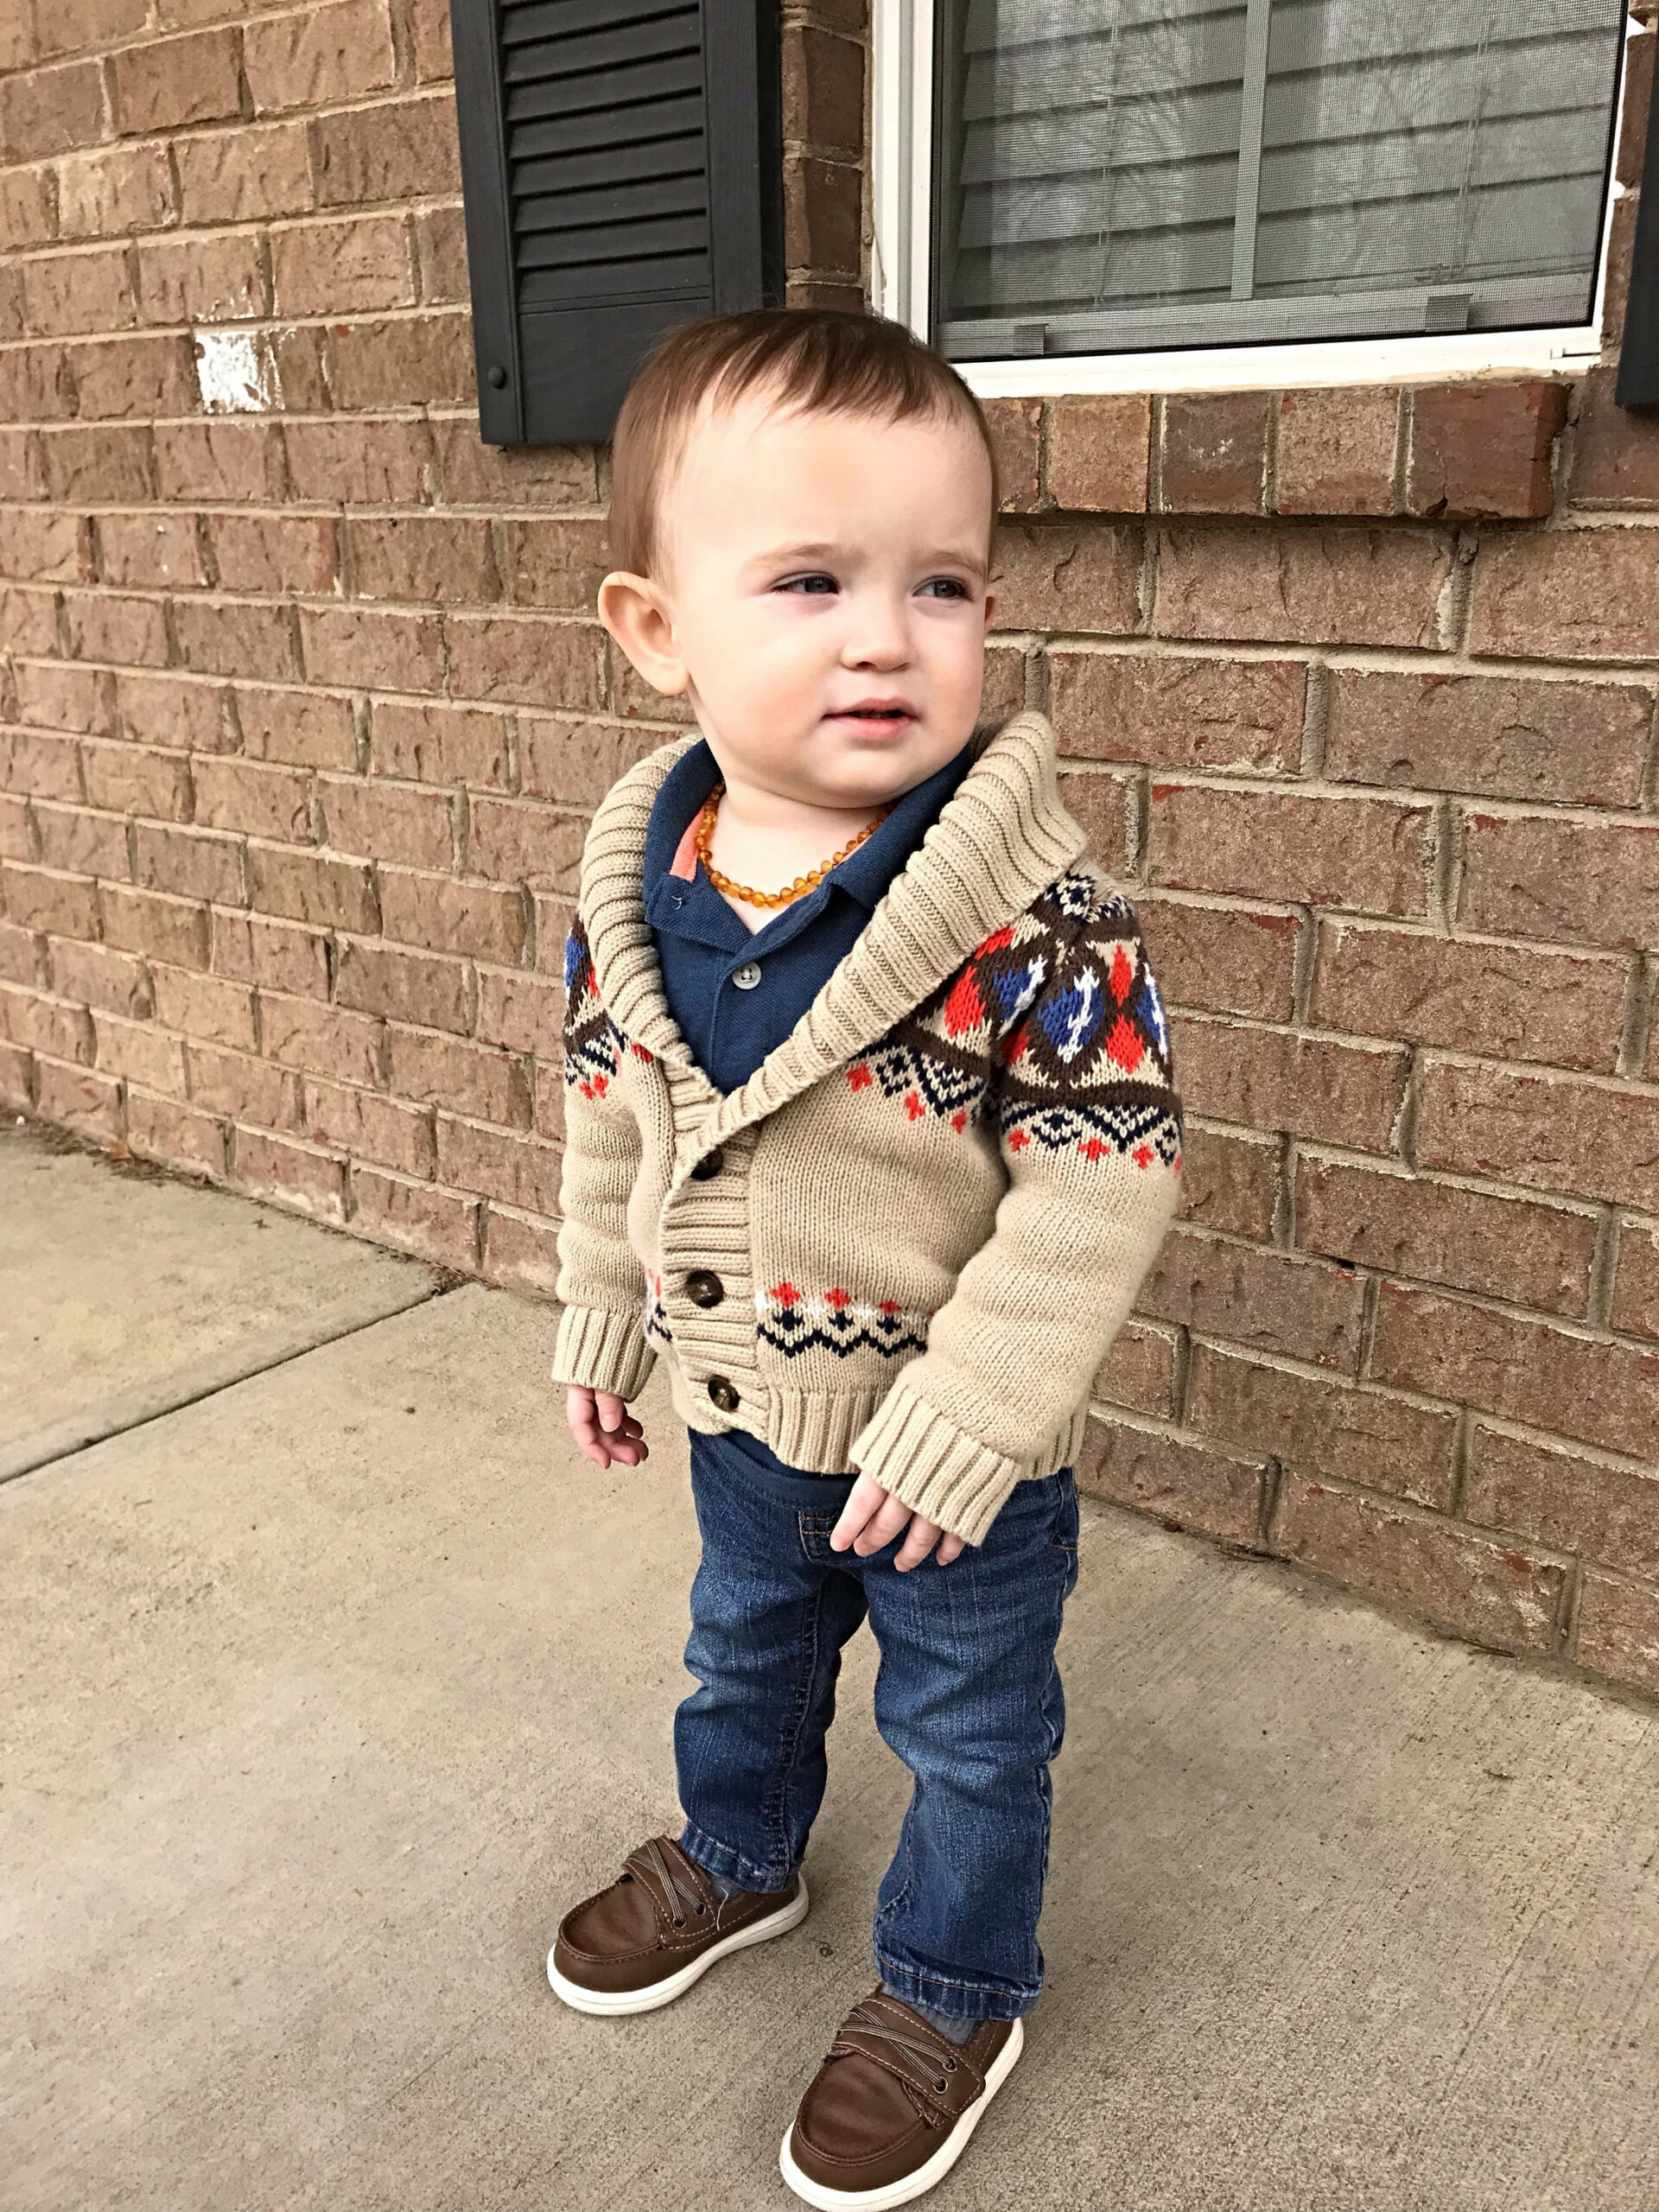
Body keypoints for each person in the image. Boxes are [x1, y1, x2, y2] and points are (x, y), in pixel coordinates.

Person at [546, 306, 1183, 2209]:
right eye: (811, 579)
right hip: (749, 1417)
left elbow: (1103, 1177)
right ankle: (739, 1848)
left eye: (944, 581)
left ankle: (950, 1979)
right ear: (656, 627)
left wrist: (974, 1415)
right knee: (738, 1654)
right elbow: (611, 1114)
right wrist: (602, 1297)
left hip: (957, 1468)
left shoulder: (1039, 920)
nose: (888, 634)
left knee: (970, 1729)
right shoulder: (634, 895)